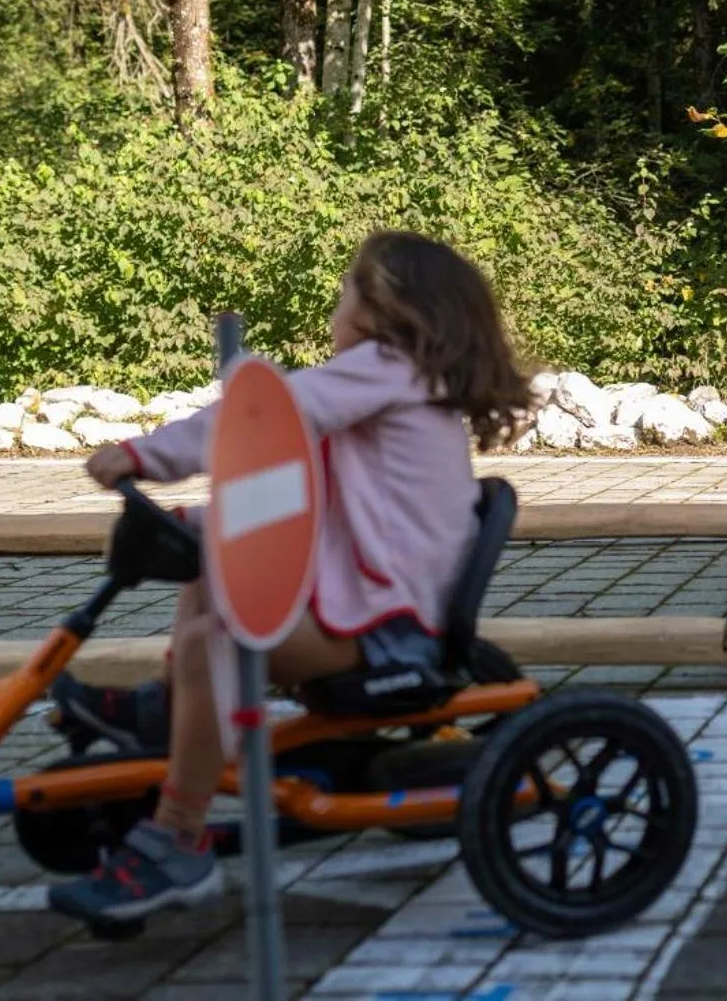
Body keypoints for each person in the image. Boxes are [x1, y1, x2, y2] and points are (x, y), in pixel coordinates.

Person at [44, 231, 531, 926]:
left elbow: (259, 420)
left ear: (381, 311)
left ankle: (177, 838)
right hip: (374, 607)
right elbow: (299, 491)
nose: (335, 310)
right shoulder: (400, 390)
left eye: (343, 294)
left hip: (384, 630)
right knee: (211, 561)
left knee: (215, 639)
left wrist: (141, 455)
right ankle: (173, 706)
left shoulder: (387, 369)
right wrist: (194, 523)